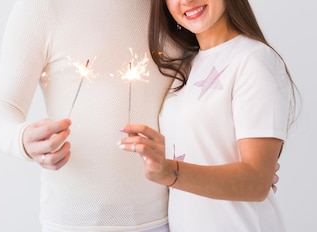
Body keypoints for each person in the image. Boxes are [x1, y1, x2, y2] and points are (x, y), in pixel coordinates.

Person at [0, 0, 281, 231]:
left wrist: (252, 172)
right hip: (71, 223)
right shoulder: (43, 8)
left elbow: (212, 106)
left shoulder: (170, 13)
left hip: (164, 222)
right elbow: (1, 108)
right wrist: (23, 140)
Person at [117, 0, 298, 231]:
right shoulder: (186, 67)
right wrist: (160, 156)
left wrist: (170, 171)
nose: (186, 1)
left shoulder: (254, 60)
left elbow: (257, 182)